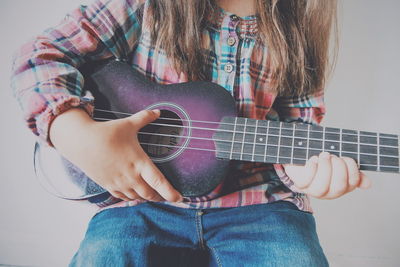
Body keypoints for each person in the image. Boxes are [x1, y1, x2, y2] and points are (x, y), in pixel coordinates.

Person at [11, 0, 371, 266]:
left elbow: (301, 126)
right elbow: (41, 56)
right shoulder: (143, 6)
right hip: (141, 204)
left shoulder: (296, 30)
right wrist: (77, 135)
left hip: (259, 207)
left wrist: (305, 172)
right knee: (103, 257)